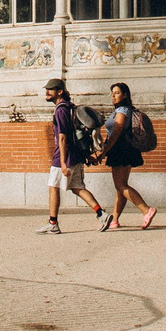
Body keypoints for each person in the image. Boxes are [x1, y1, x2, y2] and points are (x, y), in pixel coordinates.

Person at [38, 78, 106, 234]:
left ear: (60, 91)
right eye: (47, 89)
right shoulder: (71, 108)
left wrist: (62, 162)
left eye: (51, 89)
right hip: (76, 156)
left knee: (53, 187)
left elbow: (62, 137)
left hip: (64, 155)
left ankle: (53, 223)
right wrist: (86, 156)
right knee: (78, 187)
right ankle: (102, 214)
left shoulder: (61, 110)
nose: (47, 92)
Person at [102, 81, 156, 229]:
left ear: (125, 95)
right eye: (112, 93)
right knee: (121, 187)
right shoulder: (124, 109)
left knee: (120, 185)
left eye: (117, 93)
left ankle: (146, 210)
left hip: (120, 148)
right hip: (126, 148)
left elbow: (116, 131)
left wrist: (104, 151)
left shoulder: (122, 111)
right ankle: (114, 219)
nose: (113, 96)